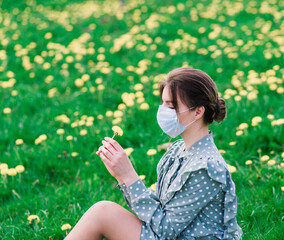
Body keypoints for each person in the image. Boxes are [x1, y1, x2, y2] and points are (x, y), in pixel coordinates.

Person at [65, 67, 243, 240]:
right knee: (102, 212)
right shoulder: (177, 150)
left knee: (102, 213)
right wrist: (121, 176)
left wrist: (129, 175)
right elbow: (157, 210)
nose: (164, 111)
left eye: (171, 105)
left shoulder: (206, 166)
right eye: (163, 103)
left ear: (198, 111)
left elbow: (167, 230)